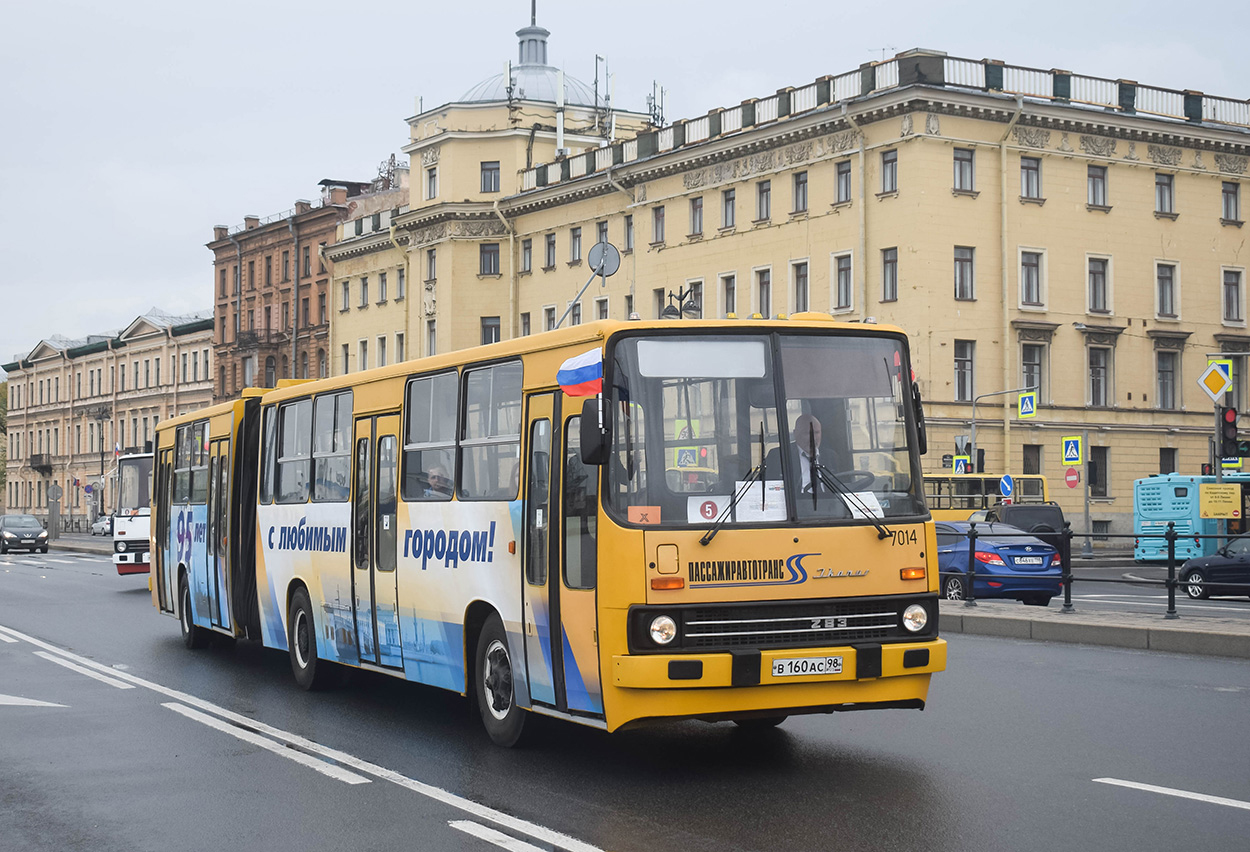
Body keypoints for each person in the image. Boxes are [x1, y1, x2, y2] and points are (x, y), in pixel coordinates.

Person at [764, 412, 827, 493]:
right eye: (807, 433)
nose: (813, 438)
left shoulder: (830, 456)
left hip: (828, 503)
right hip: (795, 503)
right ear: (795, 434)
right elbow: (770, 489)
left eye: (816, 432)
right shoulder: (779, 456)